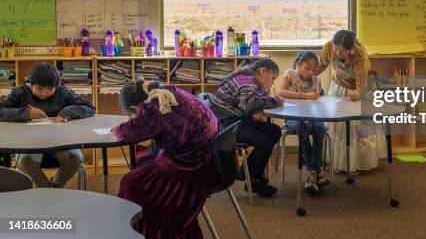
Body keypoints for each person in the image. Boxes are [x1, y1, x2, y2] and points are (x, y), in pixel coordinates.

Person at [114, 79, 219, 239]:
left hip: (194, 166)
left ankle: (143, 230)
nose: (134, 117)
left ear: (134, 108)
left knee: (130, 182)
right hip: (209, 156)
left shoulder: (153, 108)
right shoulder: (171, 92)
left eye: (133, 115)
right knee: (142, 162)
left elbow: (128, 133)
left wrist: (119, 128)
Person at [0, 62, 95, 187]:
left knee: (75, 159)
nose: (44, 93)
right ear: (30, 83)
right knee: (25, 161)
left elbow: (90, 108)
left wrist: (67, 112)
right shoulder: (20, 92)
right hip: (29, 143)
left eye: (50, 89)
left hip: (62, 142)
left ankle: (54, 187)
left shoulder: (63, 92)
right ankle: (48, 190)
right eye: (40, 88)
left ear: (57, 86)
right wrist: (26, 113)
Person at [206, 58, 283, 197]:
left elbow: (251, 101)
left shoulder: (249, 80)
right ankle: (255, 181)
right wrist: (275, 101)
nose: (272, 83)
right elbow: (249, 105)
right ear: (263, 71)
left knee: (275, 131)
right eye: (272, 78)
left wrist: (265, 99)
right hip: (228, 126)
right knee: (265, 142)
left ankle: (245, 172)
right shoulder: (246, 82)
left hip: (236, 121)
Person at [315, 30, 385, 174]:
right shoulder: (329, 48)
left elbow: (361, 86)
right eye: (336, 48)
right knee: (338, 125)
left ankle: (354, 164)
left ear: (351, 49)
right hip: (338, 87)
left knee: (354, 126)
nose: (338, 52)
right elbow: (321, 65)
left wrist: (356, 95)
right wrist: (308, 75)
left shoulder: (361, 58)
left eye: (342, 50)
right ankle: (338, 162)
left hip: (357, 90)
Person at [278, 51, 330, 193]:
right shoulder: (290, 75)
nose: (310, 73)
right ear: (300, 65)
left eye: (313, 70)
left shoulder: (316, 80)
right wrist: (303, 96)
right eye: (307, 68)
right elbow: (281, 92)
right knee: (303, 126)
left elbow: (320, 100)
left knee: (319, 128)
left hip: (312, 116)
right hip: (293, 117)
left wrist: (318, 97)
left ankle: (313, 174)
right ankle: (314, 172)